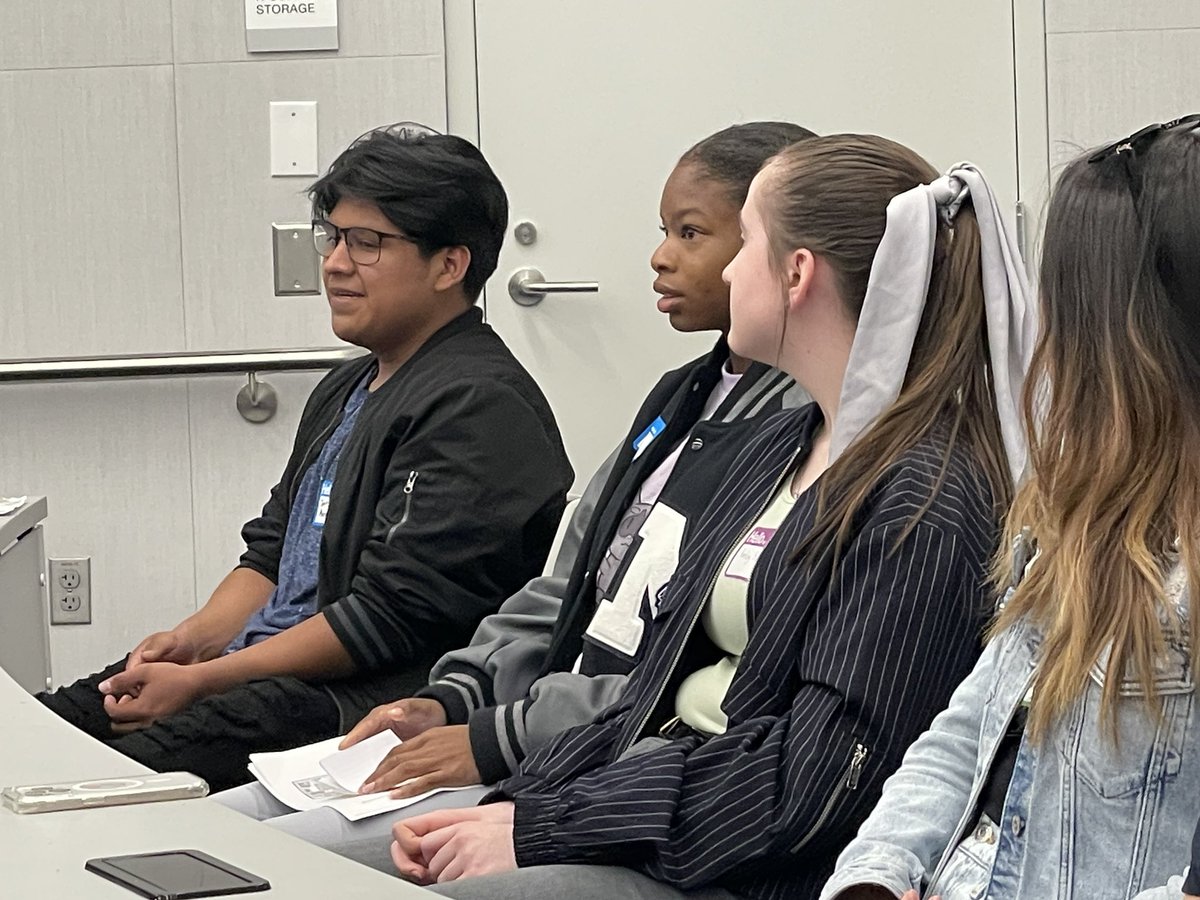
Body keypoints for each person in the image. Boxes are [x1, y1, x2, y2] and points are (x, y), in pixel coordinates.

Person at [390, 133, 1036, 899]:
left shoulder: (923, 500)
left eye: (745, 243)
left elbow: (813, 785)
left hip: (755, 870)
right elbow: (648, 692)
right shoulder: (773, 444)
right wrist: (525, 806)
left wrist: (544, 828)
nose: (728, 270)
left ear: (797, 273)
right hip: (661, 814)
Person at [213, 121, 815, 870]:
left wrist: (493, 734)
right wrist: (455, 697)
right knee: (219, 827)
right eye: (663, 230)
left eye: (692, 233)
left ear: (797, 262)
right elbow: (565, 586)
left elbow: (671, 670)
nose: (660, 256)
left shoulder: (800, 433)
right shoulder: (681, 397)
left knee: (265, 863)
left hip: (605, 758)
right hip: (531, 721)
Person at [37, 124, 574, 793]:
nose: (335, 263)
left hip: (351, 704)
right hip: (261, 672)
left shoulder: (479, 406)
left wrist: (204, 680)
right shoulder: (350, 384)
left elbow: (385, 621)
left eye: (367, 243)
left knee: (87, 789)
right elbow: (271, 551)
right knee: (40, 735)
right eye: (334, 236)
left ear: (450, 265)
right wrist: (195, 640)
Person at [821, 115, 1200, 900]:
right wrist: (875, 876)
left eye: (1065, 310)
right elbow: (968, 729)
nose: (1048, 343)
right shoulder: (1082, 506)